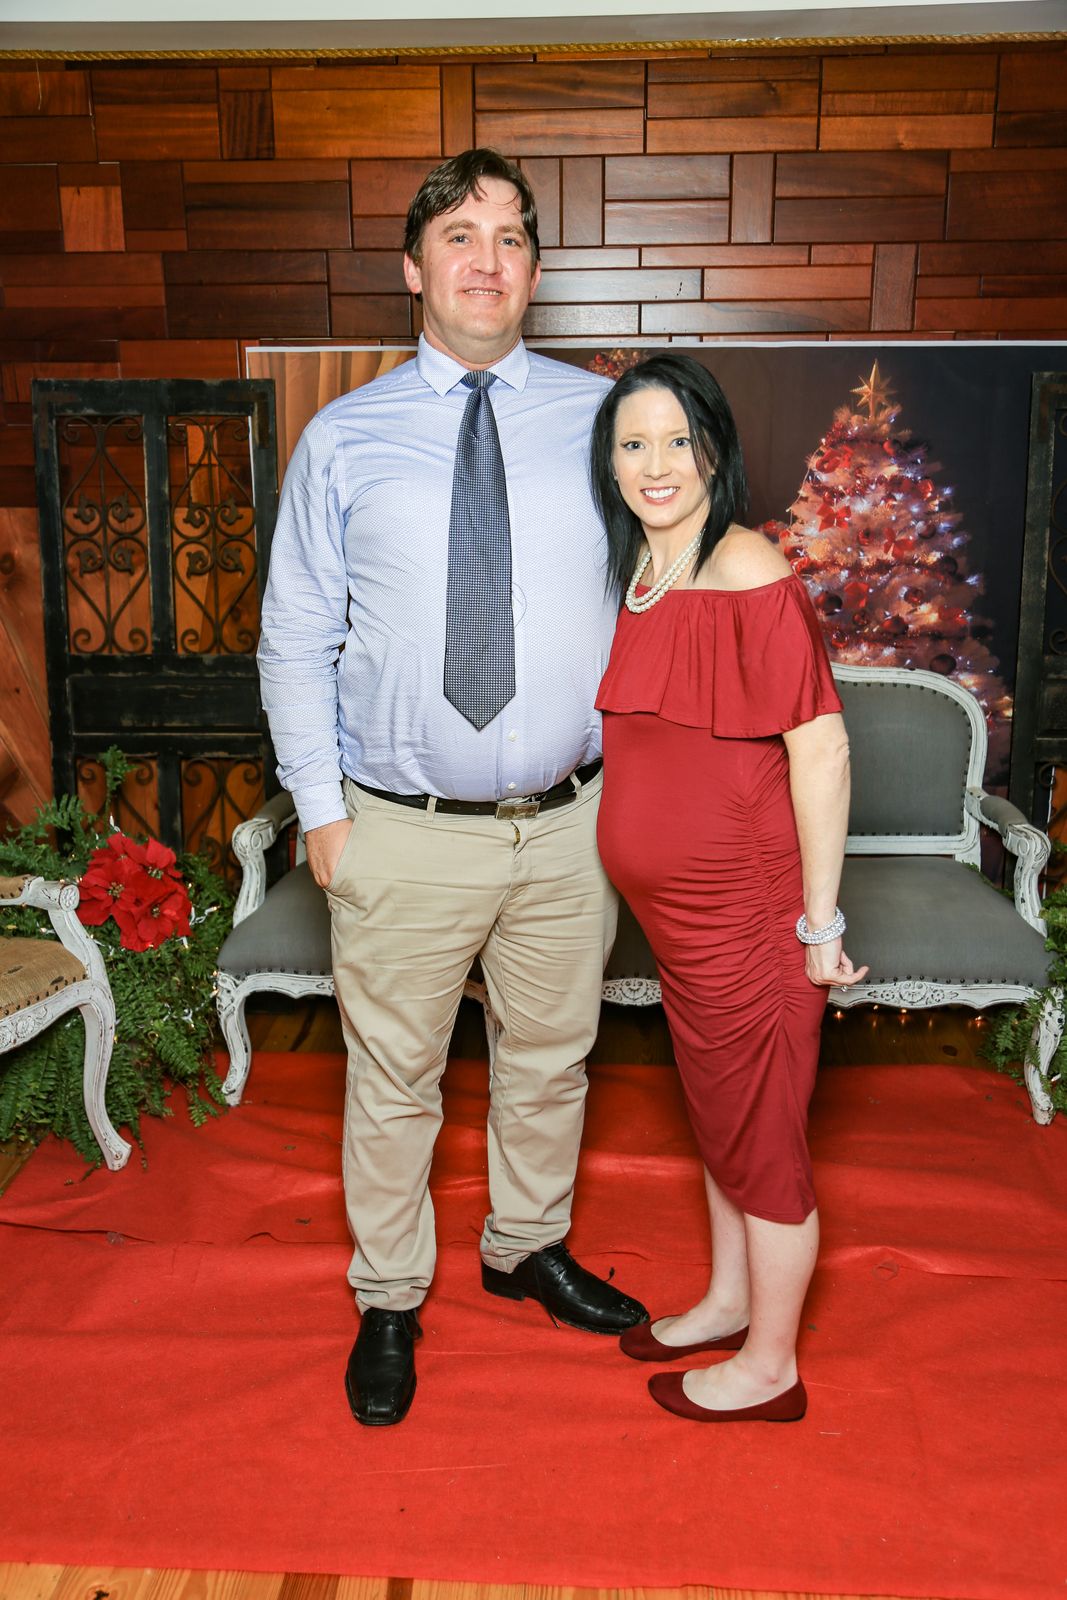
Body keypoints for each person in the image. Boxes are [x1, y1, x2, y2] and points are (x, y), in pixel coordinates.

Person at [257, 148, 647, 1429]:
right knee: (393, 1079)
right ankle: (388, 1295)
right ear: (413, 267)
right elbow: (294, 636)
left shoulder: (607, 419)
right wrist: (320, 815)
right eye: (461, 236)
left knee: (551, 1058)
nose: (489, 259)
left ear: (535, 270)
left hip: (571, 824)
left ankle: (524, 1244)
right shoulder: (343, 437)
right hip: (399, 831)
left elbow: (667, 590)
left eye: (512, 236)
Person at [591, 352, 867, 1423]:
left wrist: (816, 924)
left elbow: (820, 747)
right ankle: (727, 1298)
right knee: (721, 1118)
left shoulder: (745, 563)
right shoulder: (642, 571)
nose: (655, 463)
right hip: (680, 925)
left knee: (761, 1135)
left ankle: (770, 1364)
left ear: (714, 450)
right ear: (609, 461)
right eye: (632, 443)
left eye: (677, 440)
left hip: (750, 917)